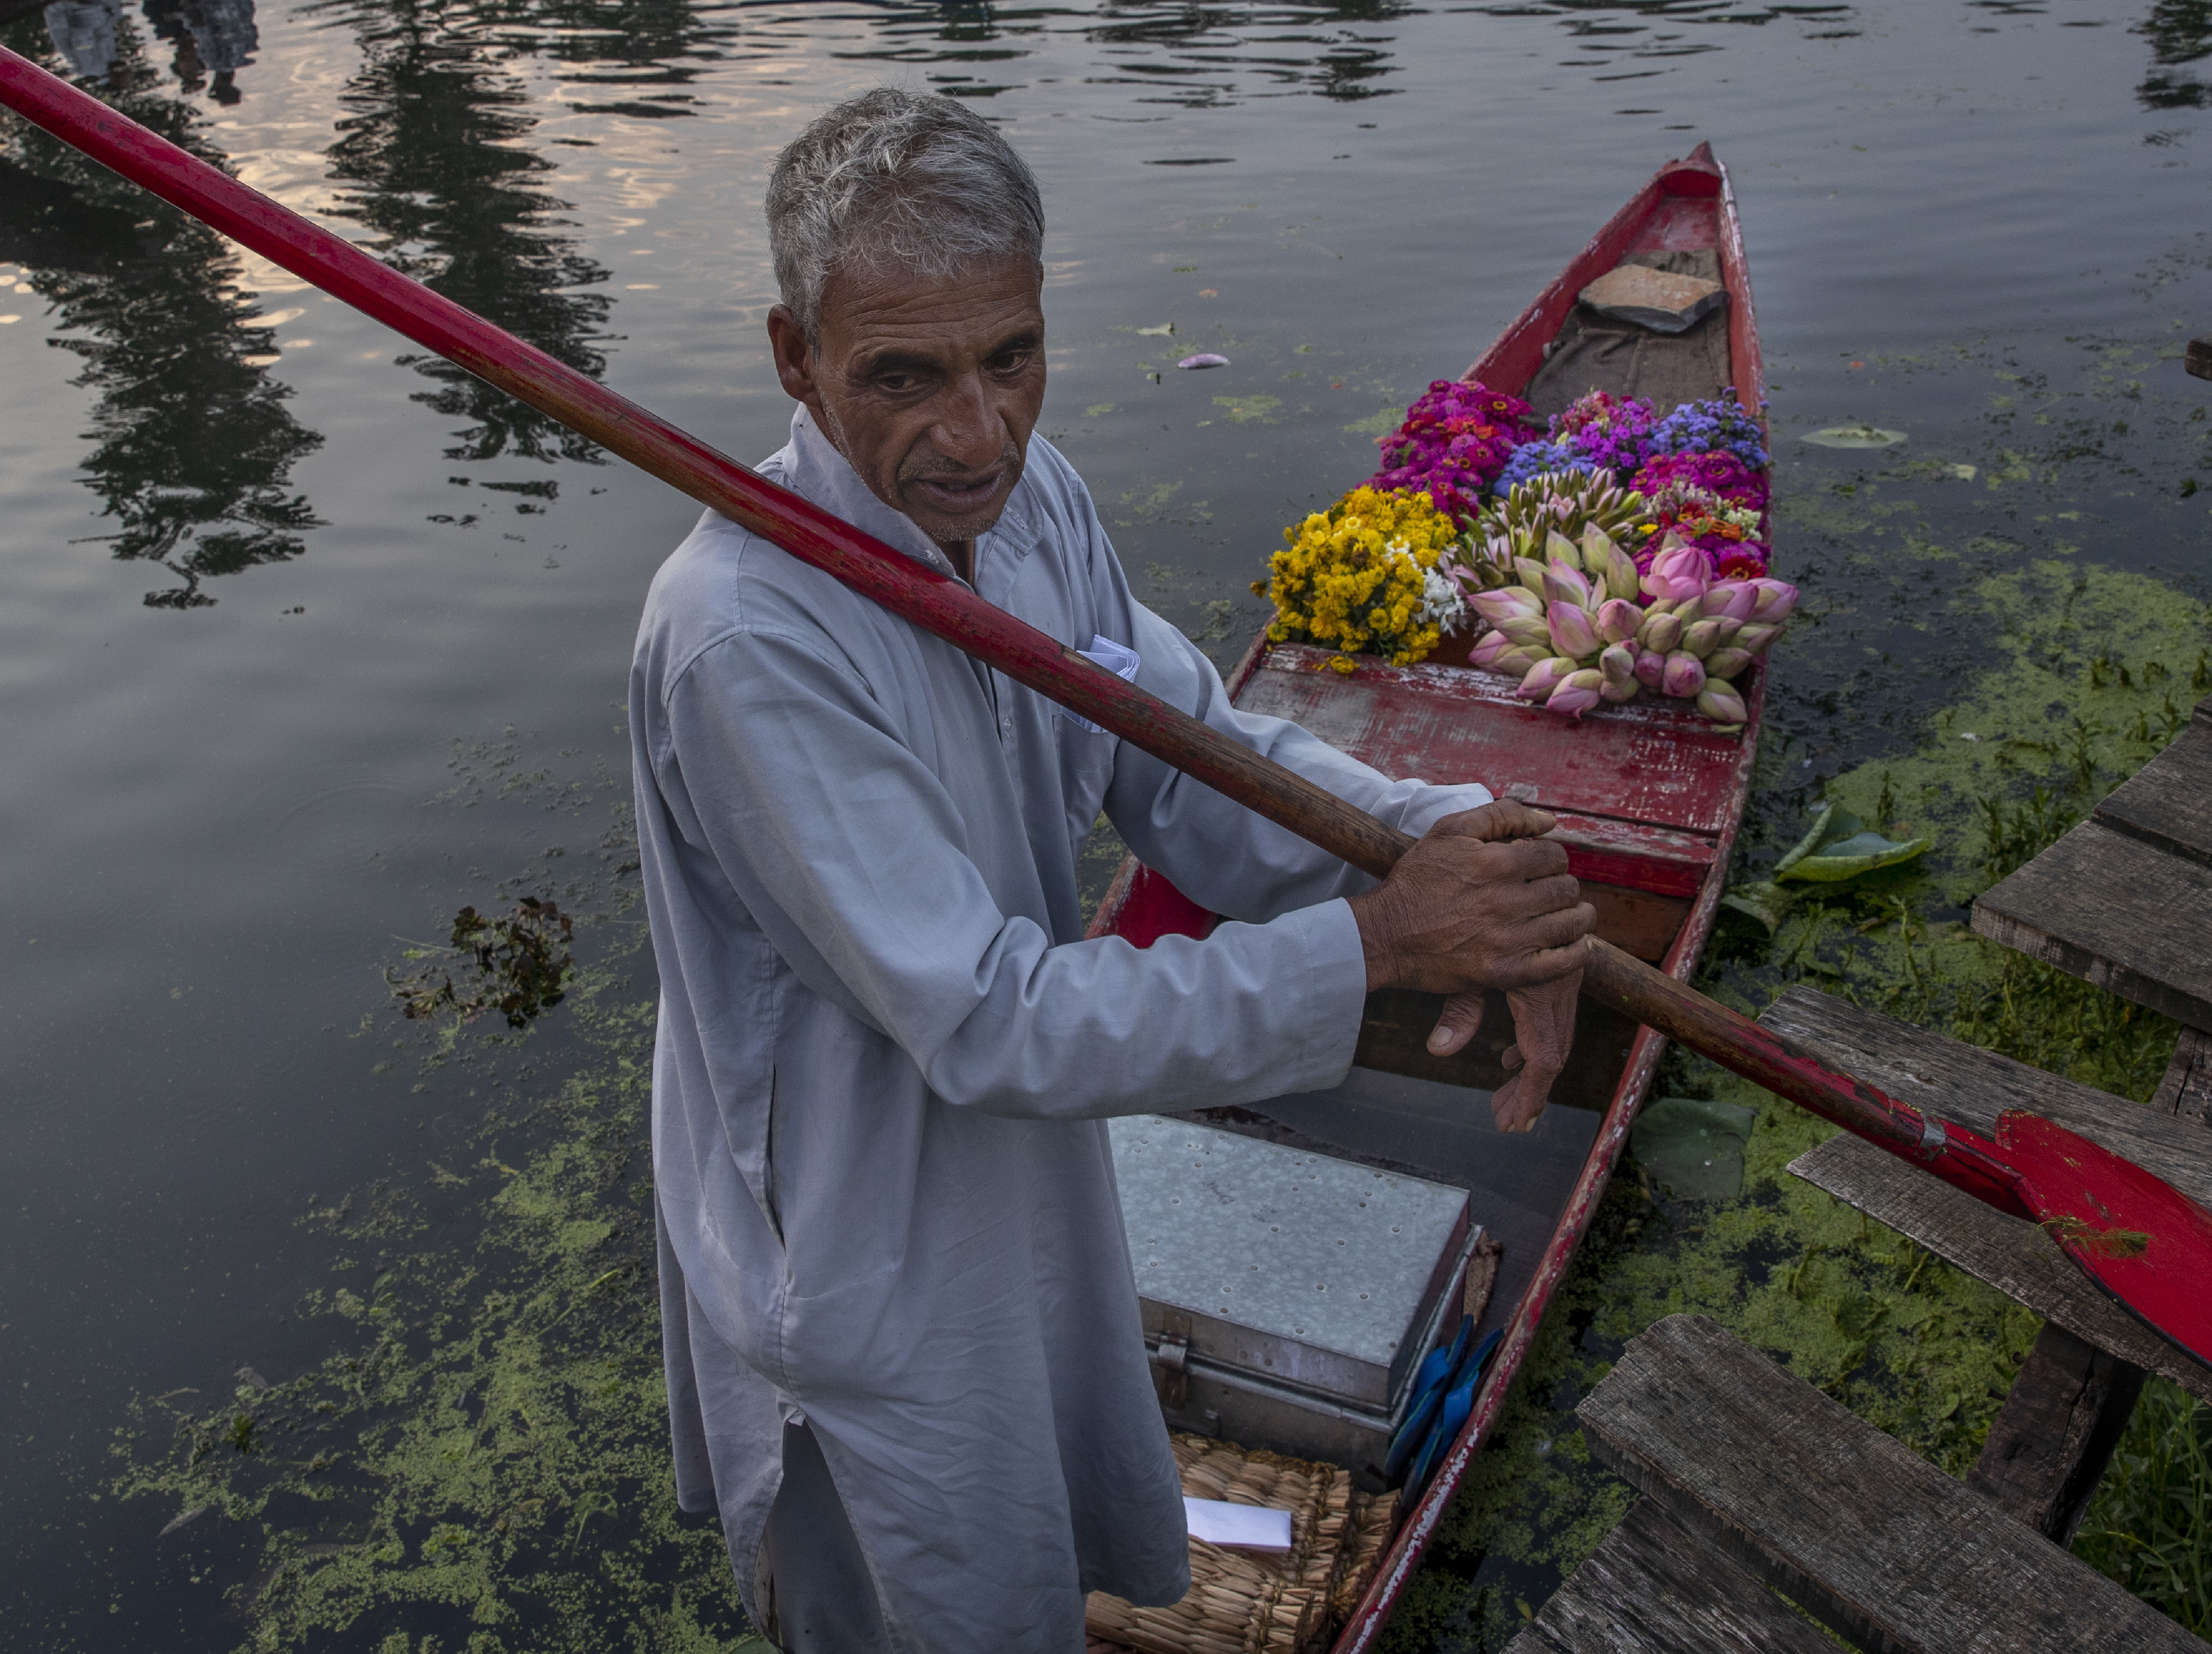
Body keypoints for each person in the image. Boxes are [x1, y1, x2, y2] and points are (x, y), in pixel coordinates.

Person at [628, 86, 1593, 1653]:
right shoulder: (742, 637)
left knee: (1038, 1534)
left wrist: (1444, 846)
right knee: (920, 1593)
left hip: (1020, 1156)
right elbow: (992, 1017)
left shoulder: (1029, 501)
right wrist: (1378, 948)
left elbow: (1190, 752)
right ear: (794, 358)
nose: (978, 431)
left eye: (1012, 356)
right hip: (860, 1215)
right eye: (905, 376)